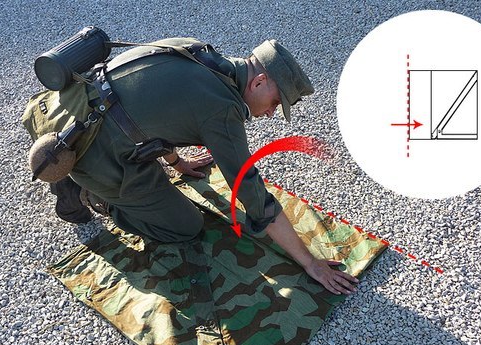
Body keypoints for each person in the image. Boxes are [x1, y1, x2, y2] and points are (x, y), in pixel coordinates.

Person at [51, 38, 358, 295]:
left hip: (75, 113)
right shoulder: (222, 109)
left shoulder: (198, 50)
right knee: (187, 226)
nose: (269, 114)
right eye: (275, 103)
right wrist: (310, 263)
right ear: (259, 81)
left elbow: (152, 109)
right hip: (93, 155)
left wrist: (177, 162)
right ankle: (88, 194)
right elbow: (252, 194)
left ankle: (86, 171)